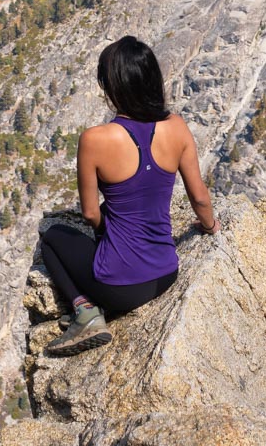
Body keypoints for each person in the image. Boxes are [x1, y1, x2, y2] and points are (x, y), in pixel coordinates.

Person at [38, 35, 218, 357]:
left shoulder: (95, 140)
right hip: (166, 274)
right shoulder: (177, 127)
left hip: (118, 288)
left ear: (113, 87)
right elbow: (200, 198)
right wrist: (209, 227)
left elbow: (92, 214)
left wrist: (109, 235)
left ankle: (85, 313)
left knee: (52, 235)